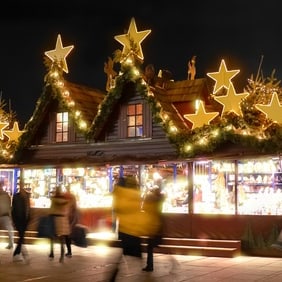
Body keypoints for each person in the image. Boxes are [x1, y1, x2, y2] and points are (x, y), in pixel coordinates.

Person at [141, 185, 165, 272]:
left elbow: (145, 208)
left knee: (149, 248)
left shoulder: (151, 201)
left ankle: (149, 265)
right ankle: (149, 265)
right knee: (150, 247)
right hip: (157, 226)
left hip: (152, 228)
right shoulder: (159, 200)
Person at [49, 185, 71, 263]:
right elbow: (67, 210)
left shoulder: (53, 199)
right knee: (62, 239)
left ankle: (51, 253)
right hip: (63, 219)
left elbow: (51, 210)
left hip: (55, 219)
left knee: (52, 238)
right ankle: (62, 256)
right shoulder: (66, 200)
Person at [11, 184, 31, 263]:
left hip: (22, 220)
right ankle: (19, 253)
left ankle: (18, 253)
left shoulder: (23, 197)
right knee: (21, 236)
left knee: (21, 237)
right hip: (20, 220)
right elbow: (15, 209)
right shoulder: (19, 198)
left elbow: (27, 210)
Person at [64, 185, 78, 258]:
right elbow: (75, 207)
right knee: (68, 235)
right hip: (70, 218)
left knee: (67, 236)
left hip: (67, 218)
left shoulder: (65, 196)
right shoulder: (72, 197)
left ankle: (69, 251)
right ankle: (69, 251)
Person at [0, 182, 14, 249]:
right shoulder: (6, 195)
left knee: (10, 230)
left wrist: (9, 214)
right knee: (10, 230)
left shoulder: (6, 195)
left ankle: (11, 244)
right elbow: (9, 204)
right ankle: (11, 244)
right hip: (5, 215)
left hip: (5, 215)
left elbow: (9, 205)